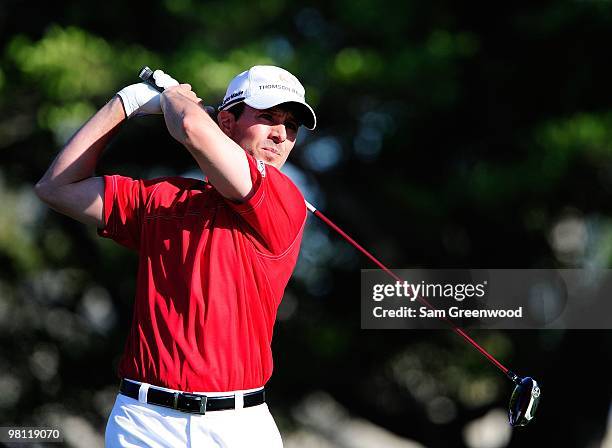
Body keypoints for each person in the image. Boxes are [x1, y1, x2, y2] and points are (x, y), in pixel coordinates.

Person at [35, 65, 317, 447]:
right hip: (143, 422)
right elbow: (56, 187)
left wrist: (173, 96)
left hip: (238, 427)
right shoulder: (163, 198)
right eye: (267, 117)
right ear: (228, 122)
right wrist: (125, 103)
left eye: (292, 126)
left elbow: (190, 128)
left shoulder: (284, 200)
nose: (281, 134)